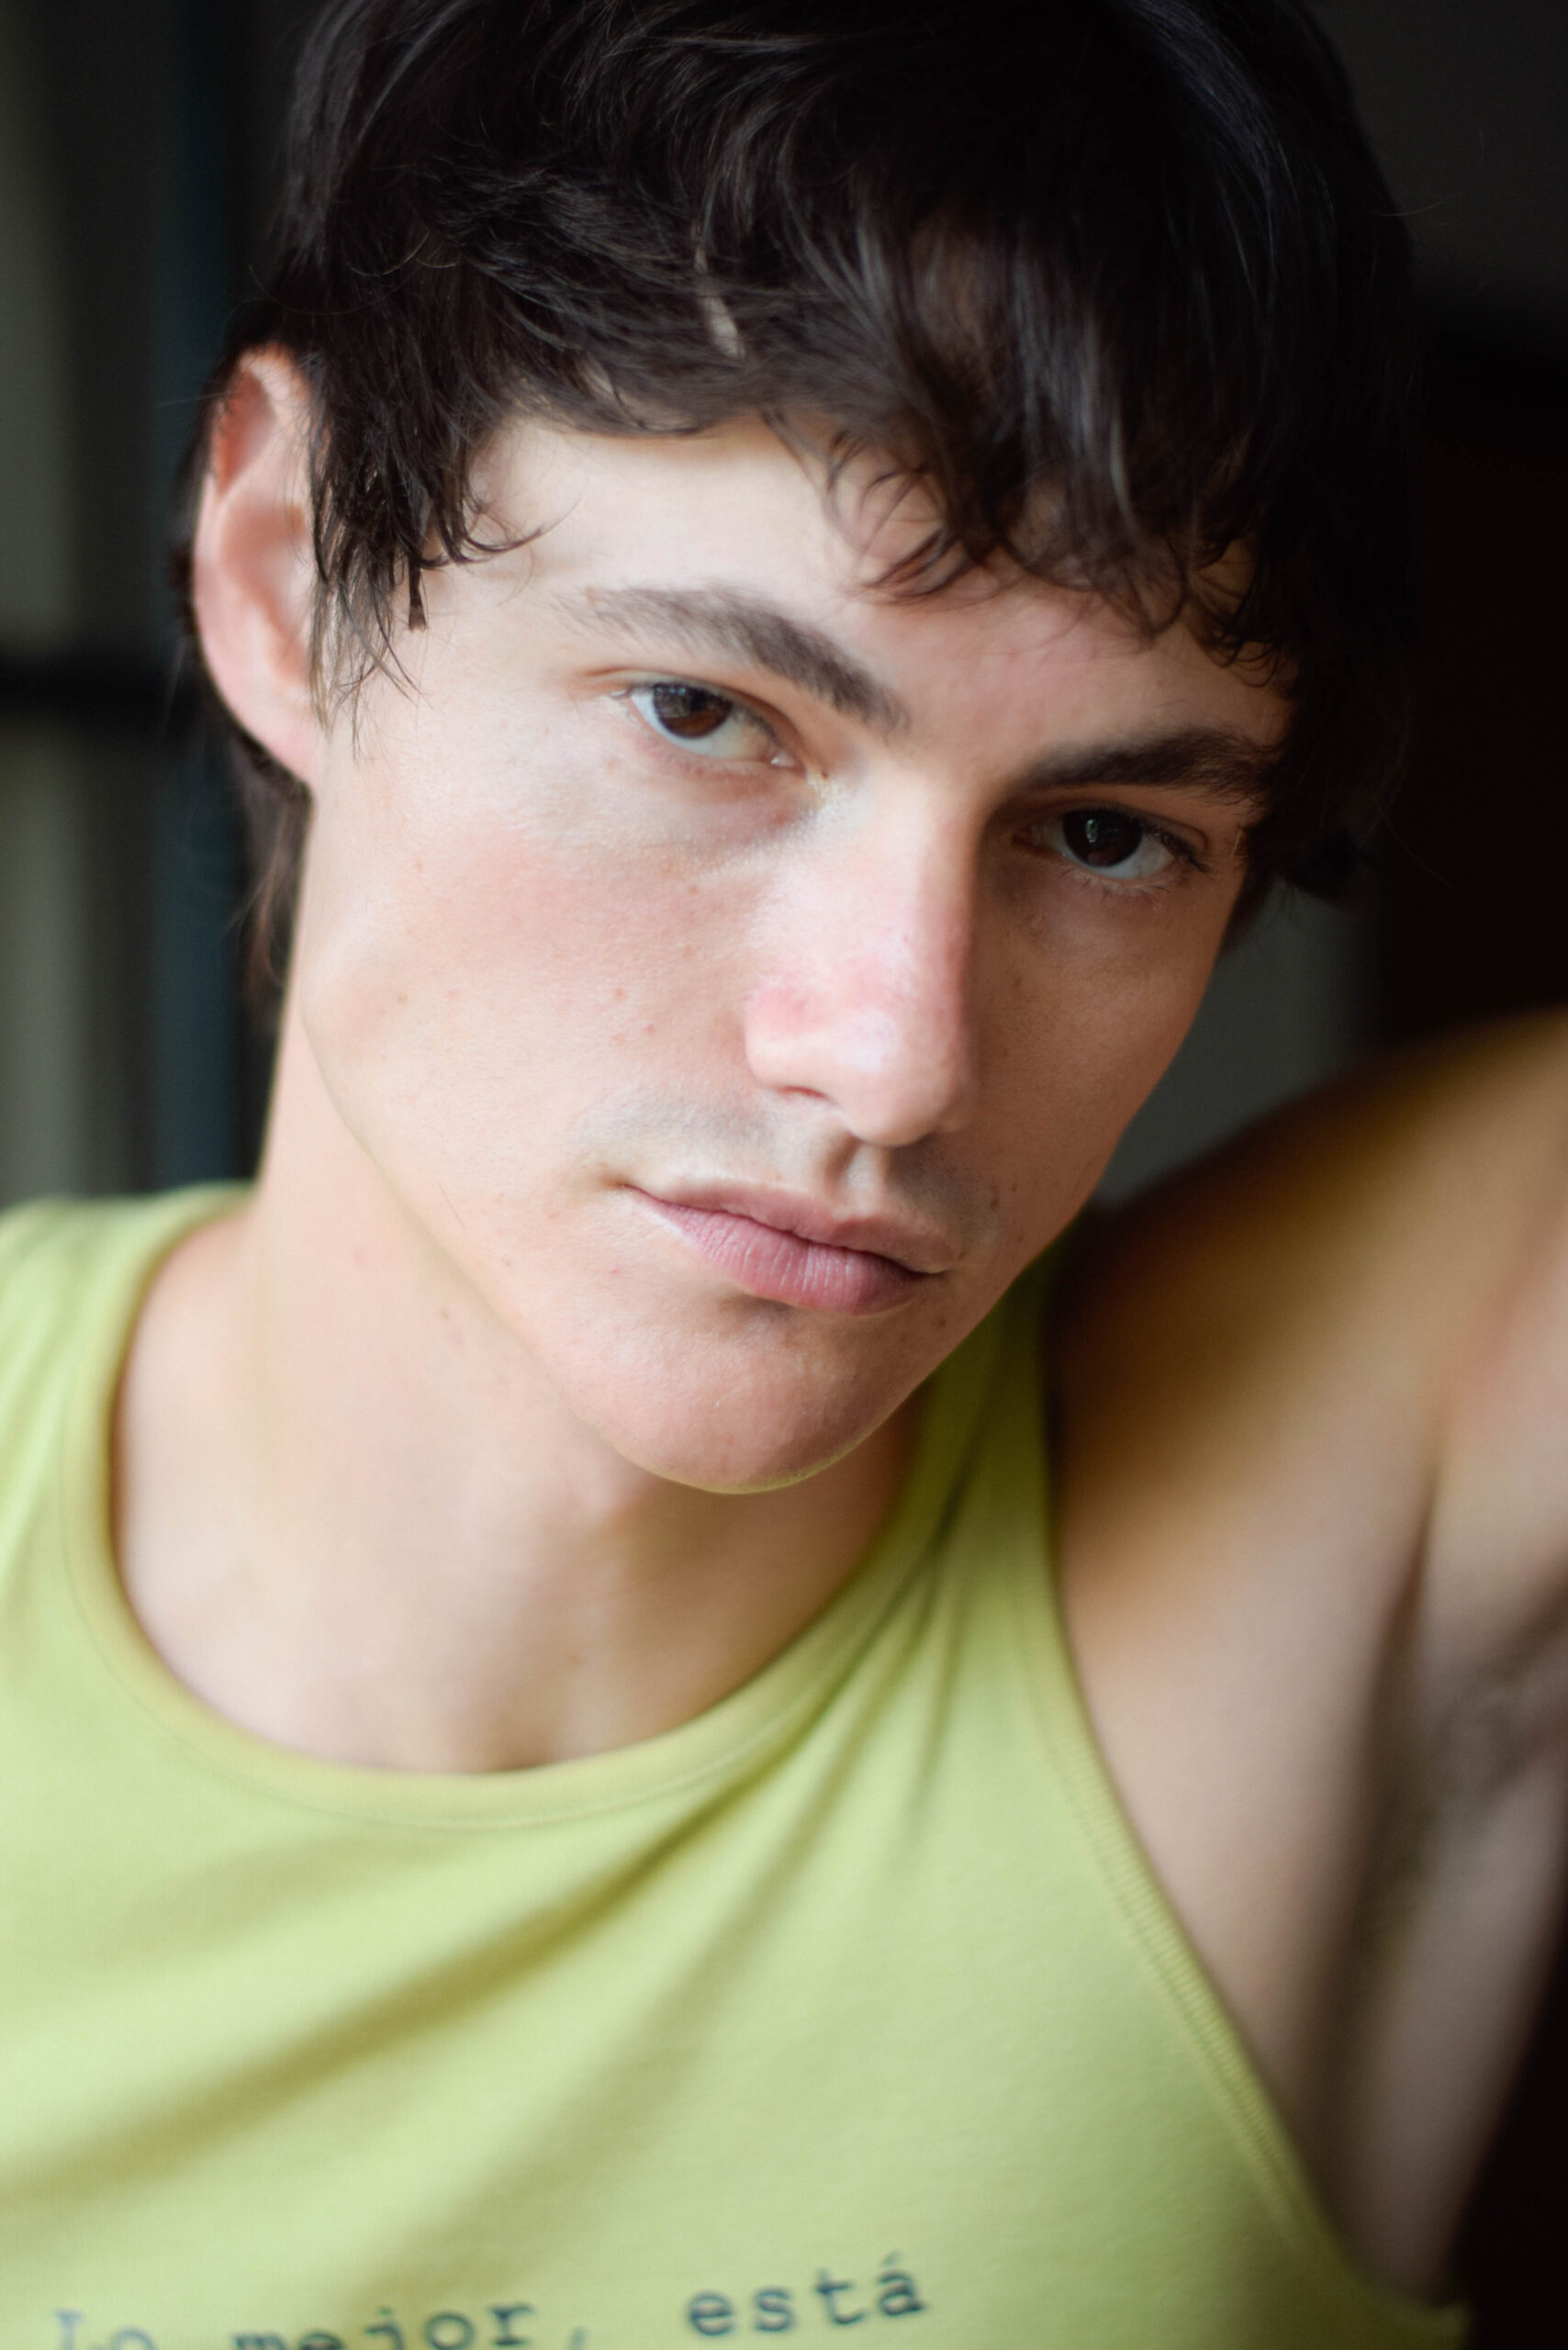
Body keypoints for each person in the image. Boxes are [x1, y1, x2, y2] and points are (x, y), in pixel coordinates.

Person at [3, 0, 1552, 2341]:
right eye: (705, 714)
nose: (895, 1056)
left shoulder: (1328, 1493)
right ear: (286, 569)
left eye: (1103, 833)